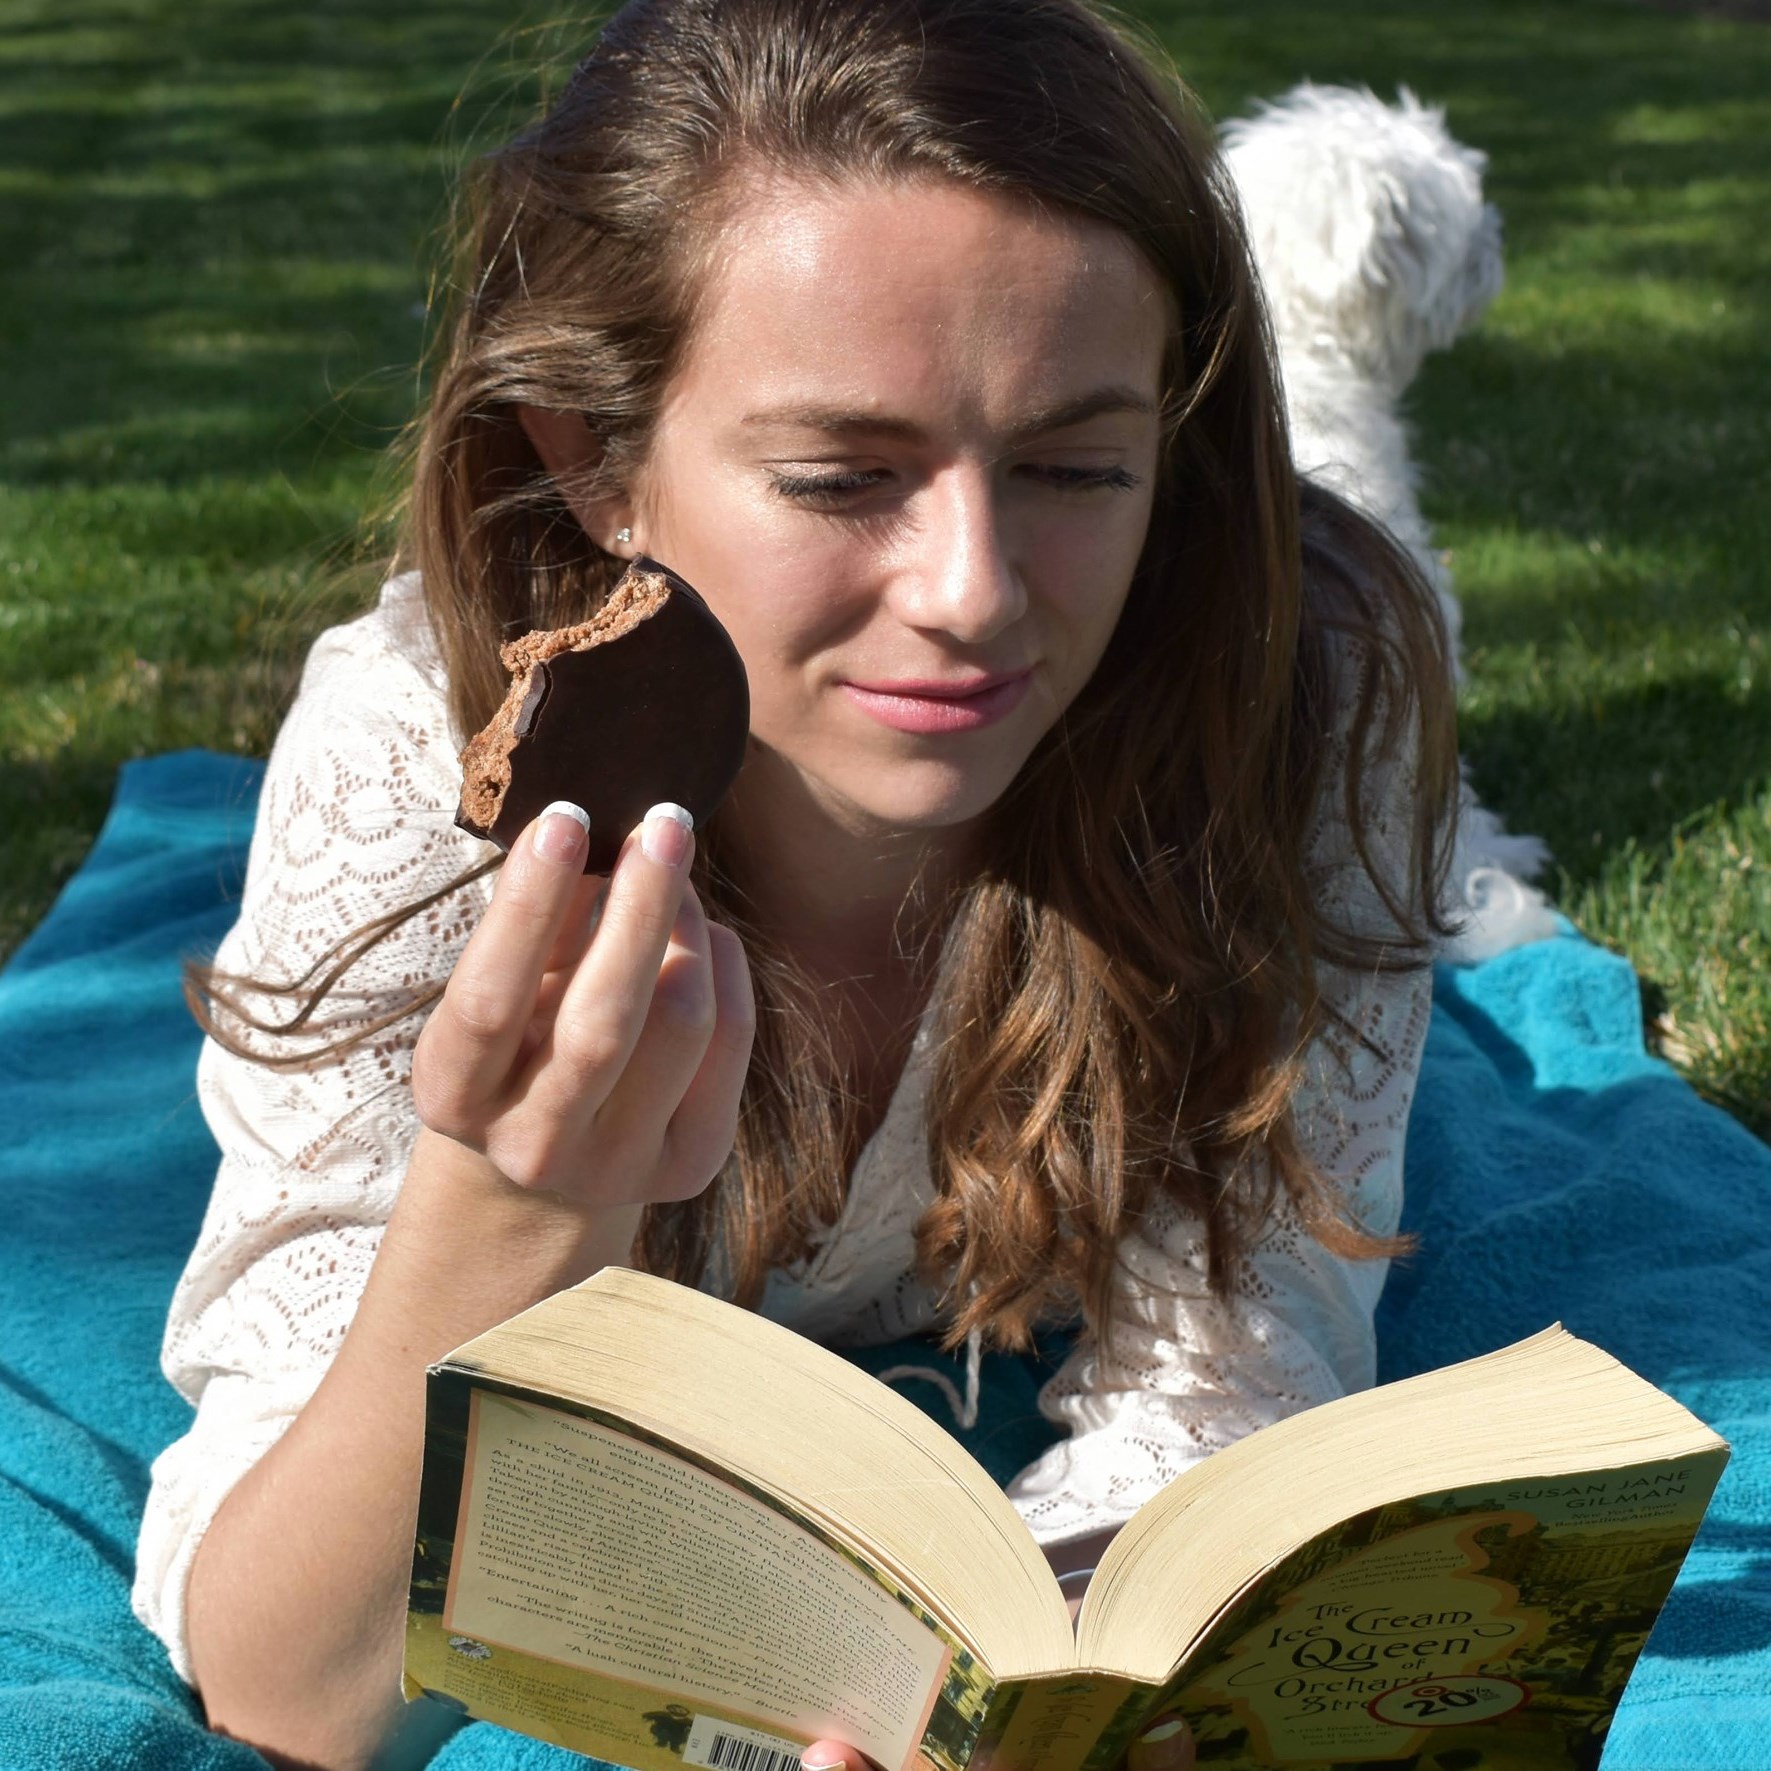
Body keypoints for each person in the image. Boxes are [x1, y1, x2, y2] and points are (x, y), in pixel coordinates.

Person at [130, 1, 1459, 1767]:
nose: (974, 593)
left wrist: (1023, 1700)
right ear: (589, 459)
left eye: (1078, 465)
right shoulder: (418, 765)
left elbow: (1229, 1388)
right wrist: (507, 1213)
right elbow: (291, 1692)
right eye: (842, 477)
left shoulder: (1296, 692)